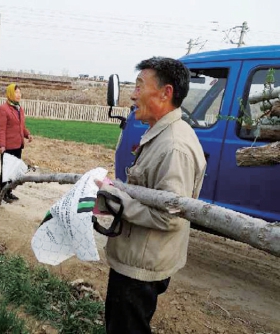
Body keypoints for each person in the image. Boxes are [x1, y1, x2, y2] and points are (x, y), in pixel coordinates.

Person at [96, 57, 207, 333]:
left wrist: (112, 199)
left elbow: (169, 216)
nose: (133, 95)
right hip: (138, 255)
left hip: (141, 265)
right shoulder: (162, 133)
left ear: (166, 92)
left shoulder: (174, 147)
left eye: (139, 86)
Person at [0, 83, 33, 203]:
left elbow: (21, 126)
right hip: (8, 146)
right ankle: (3, 193)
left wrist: (27, 134)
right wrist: (1, 145)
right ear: (11, 93)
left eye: (20, 92)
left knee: (13, 171)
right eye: (16, 92)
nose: (19, 95)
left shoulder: (19, 109)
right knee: (6, 171)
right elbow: (1, 129)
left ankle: (9, 191)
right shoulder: (3, 109)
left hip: (18, 145)